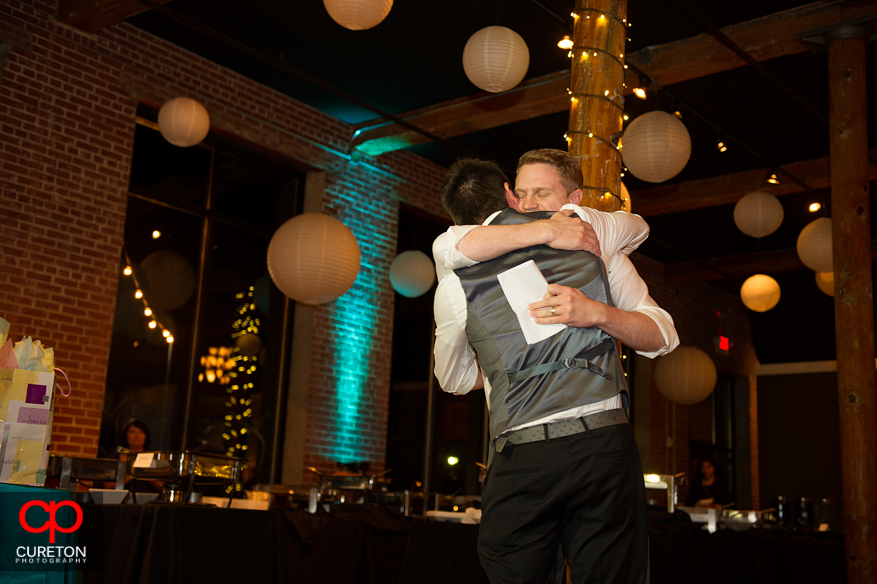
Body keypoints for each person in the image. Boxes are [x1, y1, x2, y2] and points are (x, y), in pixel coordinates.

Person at [432, 154, 678, 584]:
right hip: (556, 452)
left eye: (541, 194)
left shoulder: (590, 239)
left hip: (581, 448)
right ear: (509, 194)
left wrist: (598, 314)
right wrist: (510, 361)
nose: (528, 204)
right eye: (522, 194)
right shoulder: (585, 240)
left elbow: (663, 336)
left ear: (574, 201)